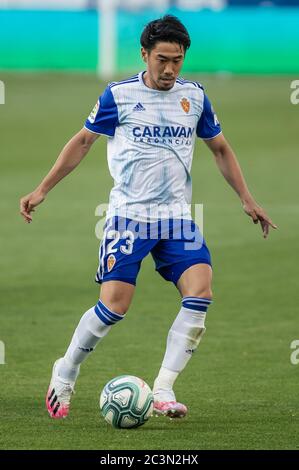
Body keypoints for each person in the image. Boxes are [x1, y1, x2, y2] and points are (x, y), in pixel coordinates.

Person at [20, 15, 277, 420]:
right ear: (144, 55)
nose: (170, 69)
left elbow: (221, 149)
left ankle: (163, 389)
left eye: (177, 60)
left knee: (201, 291)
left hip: (177, 218)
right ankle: (66, 369)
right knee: (114, 307)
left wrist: (247, 198)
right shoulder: (119, 95)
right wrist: (42, 189)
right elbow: (84, 141)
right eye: (162, 60)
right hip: (128, 217)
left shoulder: (194, 97)